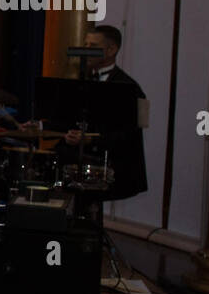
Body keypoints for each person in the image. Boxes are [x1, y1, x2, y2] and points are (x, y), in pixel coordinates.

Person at [60, 24, 147, 201]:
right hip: (80, 161)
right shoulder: (83, 81)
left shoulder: (129, 88)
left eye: (92, 47)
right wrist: (40, 126)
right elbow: (68, 119)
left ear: (111, 50)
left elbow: (130, 134)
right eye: (85, 45)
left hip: (111, 166)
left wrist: (92, 139)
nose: (86, 51)